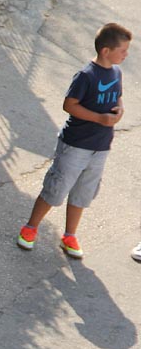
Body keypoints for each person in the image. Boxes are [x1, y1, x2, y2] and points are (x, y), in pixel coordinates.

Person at [16, 22, 131, 259]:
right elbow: (69, 105)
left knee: (83, 192)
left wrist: (119, 112)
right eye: (123, 50)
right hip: (76, 145)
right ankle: (30, 228)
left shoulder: (116, 73)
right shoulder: (86, 75)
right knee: (56, 188)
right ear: (106, 51)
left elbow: (118, 97)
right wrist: (100, 118)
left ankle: (70, 235)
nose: (126, 54)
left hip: (100, 147)